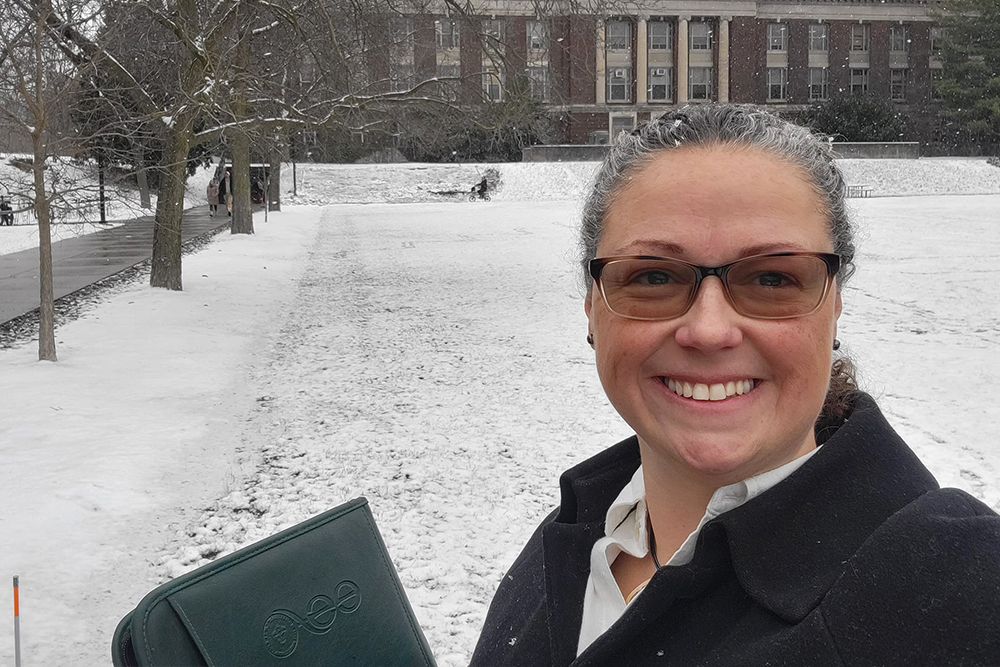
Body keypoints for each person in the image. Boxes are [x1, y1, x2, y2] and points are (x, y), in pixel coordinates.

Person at [470, 105, 1000, 667]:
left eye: (773, 277)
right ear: (591, 307)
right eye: (652, 276)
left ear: (836, 303)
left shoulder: (952, 588)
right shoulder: (574, 533)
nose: (708, 330)